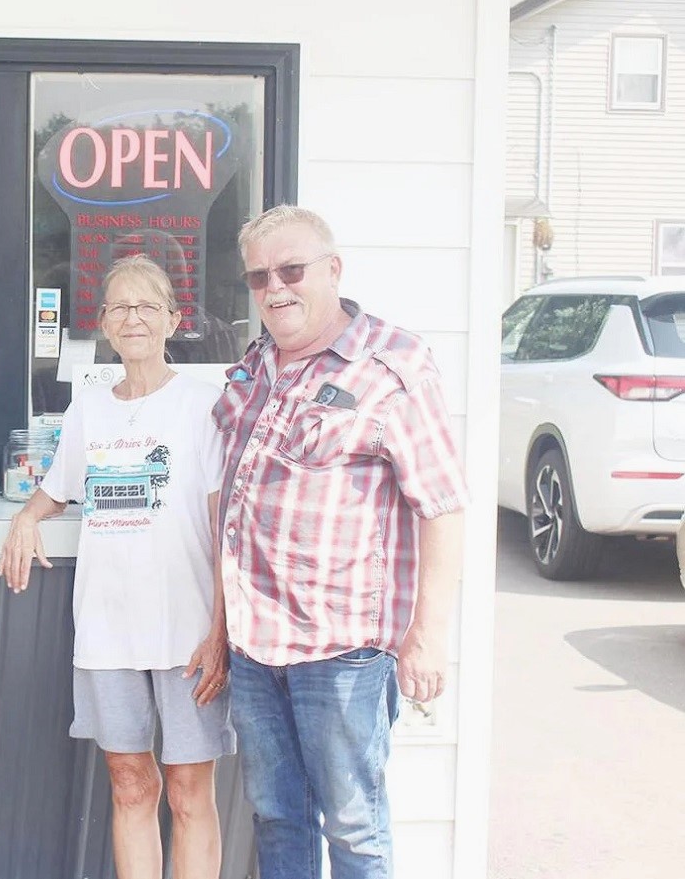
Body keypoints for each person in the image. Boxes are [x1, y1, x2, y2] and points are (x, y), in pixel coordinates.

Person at [215, 204, 467, 879]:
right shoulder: (257, 364)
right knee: (276, 815)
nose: (276, 288)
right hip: (254, 643)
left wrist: (427, 635)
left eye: (292, 269)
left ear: (333, 269)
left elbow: (441, 505)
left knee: (354, 825)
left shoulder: (392, 365)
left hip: (343, 650)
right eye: (259, 277)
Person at [0, 255, 234, 879]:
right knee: (130, 785)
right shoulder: (89, 409)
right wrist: (26, 518)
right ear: (103, 322)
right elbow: (58, 487)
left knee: (188, 793)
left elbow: (222, 528)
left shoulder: (202, 406)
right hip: (108, 631)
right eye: (120, 307)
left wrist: (220, 630)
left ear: (174, 320)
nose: (134, 318)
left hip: (187, 633)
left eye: (148, 306)